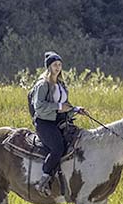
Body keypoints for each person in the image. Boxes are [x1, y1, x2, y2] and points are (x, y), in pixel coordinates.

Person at [30, 51, 88, 196]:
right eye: (55, 64)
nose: (58, 67)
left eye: (60, 65)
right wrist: (58, 107)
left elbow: (65, 106)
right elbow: (39, 107)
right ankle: (43, 179)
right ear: (49, 67)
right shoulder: (42, 84)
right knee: (57, 148)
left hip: (60, 121)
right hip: (45, 123)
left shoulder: (61, 84)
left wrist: (75, 110)